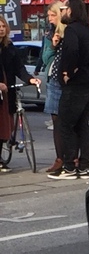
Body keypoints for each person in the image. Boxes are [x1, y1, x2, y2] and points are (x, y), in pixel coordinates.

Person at [48, 0, 89, 180]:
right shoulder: (87, 31)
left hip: (75, 85)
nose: (62, 12)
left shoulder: (72, 31)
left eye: (64, 9)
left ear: (71, 10)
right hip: (87, 83)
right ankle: (83, 166)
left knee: (65, 124)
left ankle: (69, 167)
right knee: (82, 125)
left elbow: (72, 51)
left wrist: (68, 72)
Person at [0, 16, 41, 173]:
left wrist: (31, 79)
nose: (2, 29)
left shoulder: (10, 47)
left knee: (7, 124)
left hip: (8, 90)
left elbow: (20, 68)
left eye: (4, 26)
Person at [40, 0, 66, 173]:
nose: (50, 18)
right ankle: (60, 158)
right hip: (53, 79)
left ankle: (72, 158)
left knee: (68, 122)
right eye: (48, 15)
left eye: (53, 15)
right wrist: (53, 45)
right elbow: (45, 58)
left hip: (66, 80)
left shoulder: (69, 32)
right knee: (56, 122)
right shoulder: (50, 34)